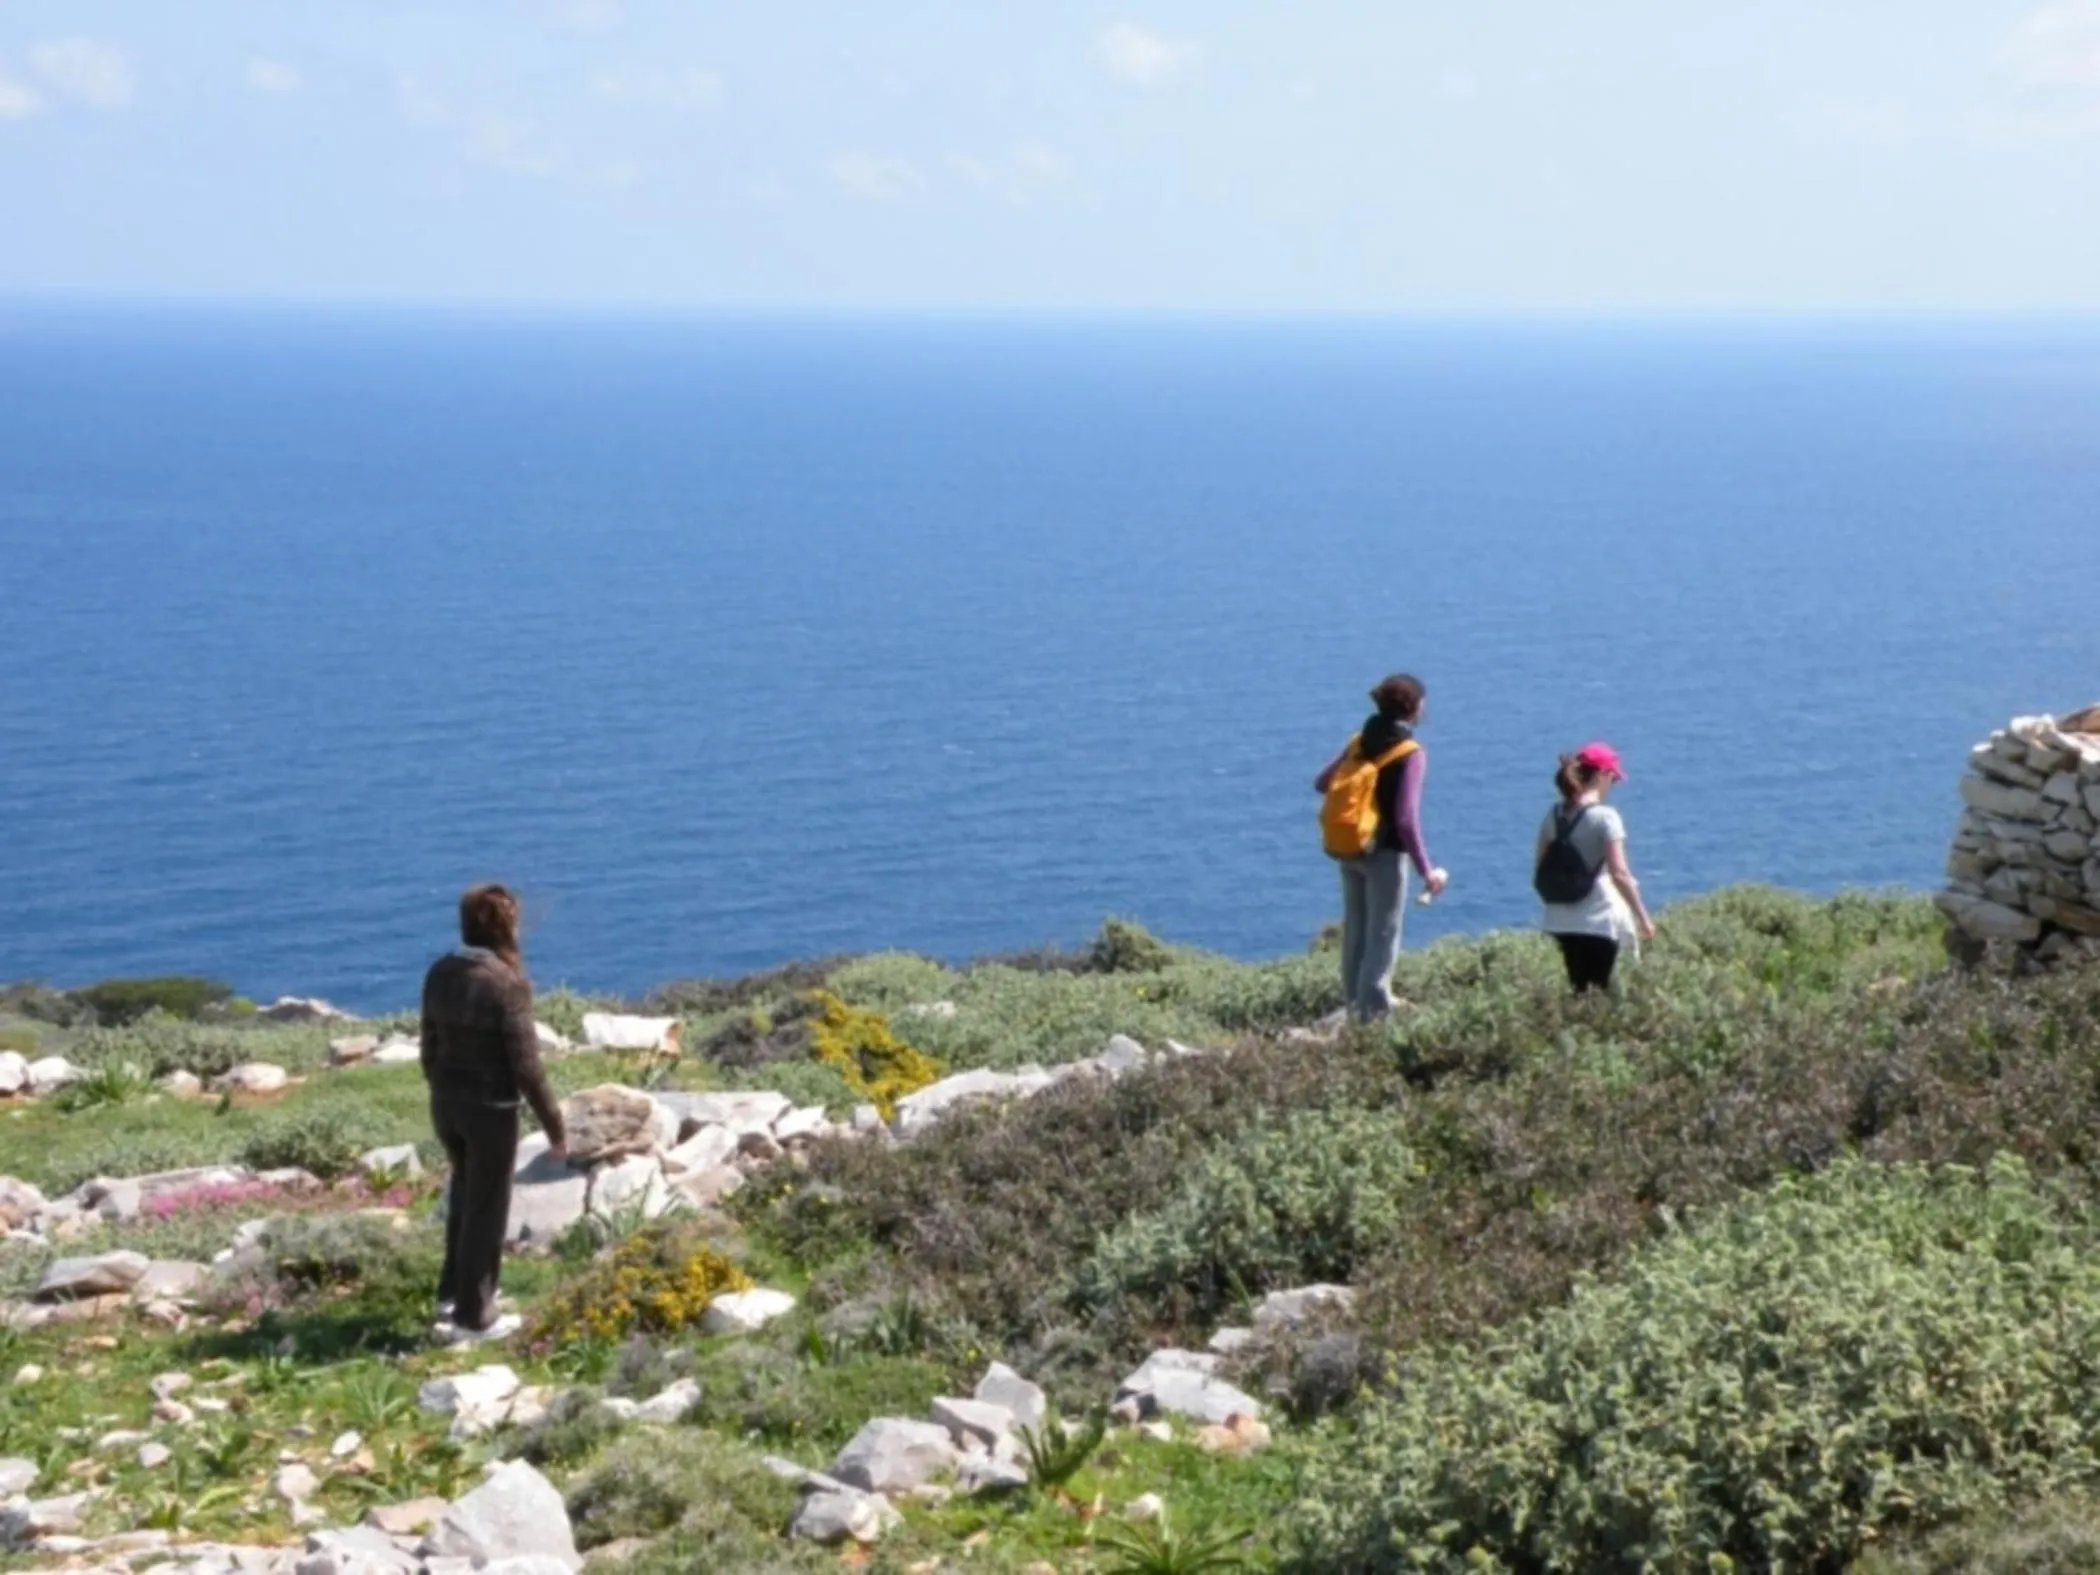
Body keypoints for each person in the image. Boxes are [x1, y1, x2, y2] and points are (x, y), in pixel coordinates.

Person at [420, 883, 566, 1343]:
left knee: (465, 1198)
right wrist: (555, 1129)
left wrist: (442, 1088)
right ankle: (475, 1317)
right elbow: (527, 1067)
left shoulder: (441, 971)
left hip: (446, 1104)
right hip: (491, 1110)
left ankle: (453, 1294)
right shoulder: (507, 984)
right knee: (488, 1210)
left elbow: (429, 1046)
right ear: (506, 927)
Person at [1315, 673, 1447, 1019]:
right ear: (1414, 709)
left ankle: (1353, 1006)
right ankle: (1373, 1017)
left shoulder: (1359, 741)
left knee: (1356, 929)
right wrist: (1426, 870)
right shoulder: (1410, 753)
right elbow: (1405, 818)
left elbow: (1322, 783)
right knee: (1383, 934)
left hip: (1350, 848)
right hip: (1385, 855)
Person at [1536, 743, 1655, 993]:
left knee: (1579, 989)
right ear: (1601, 774)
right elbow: (1620, 874)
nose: (1613, 784)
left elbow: (1539, 867)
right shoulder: (1606, 817)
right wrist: (1643, 918)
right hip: (1600, 919)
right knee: (1603, 992)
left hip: (1561, 921)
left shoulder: (1554, 814)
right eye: (1613, 777)